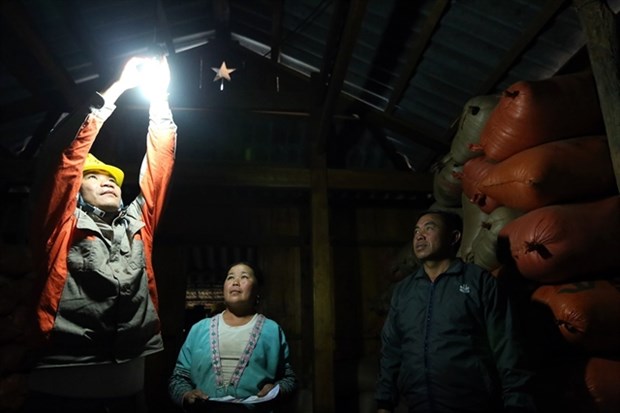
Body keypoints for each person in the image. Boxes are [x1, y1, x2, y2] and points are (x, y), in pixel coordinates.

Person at [24, 55, 177, 413]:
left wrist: (161, 99)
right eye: (93, 178)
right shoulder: (61, 224)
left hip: (129, 390)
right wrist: (117, 87)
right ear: (76, 191)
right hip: (61, 389)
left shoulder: (138, 224)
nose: (107, 181)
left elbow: (161, 165)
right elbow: (64, 161)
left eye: (111, 179)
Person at [375, 210, 536, 413]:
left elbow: (507, 347)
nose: (419, 235)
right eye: (416, 230)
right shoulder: (404, 291)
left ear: (454, 237)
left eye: (429, 228)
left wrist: (518, 403)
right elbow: (392, 349)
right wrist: (384, 402)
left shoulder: (479, 283)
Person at [168, 262, 298, 412]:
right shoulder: (199, 329)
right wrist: (186, 395)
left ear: (257, 290)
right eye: (230, 277)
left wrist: (277, 389)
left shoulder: (272, 330)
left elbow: (290, 379)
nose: (235, 282)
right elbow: (178, 378)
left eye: (244, 277)